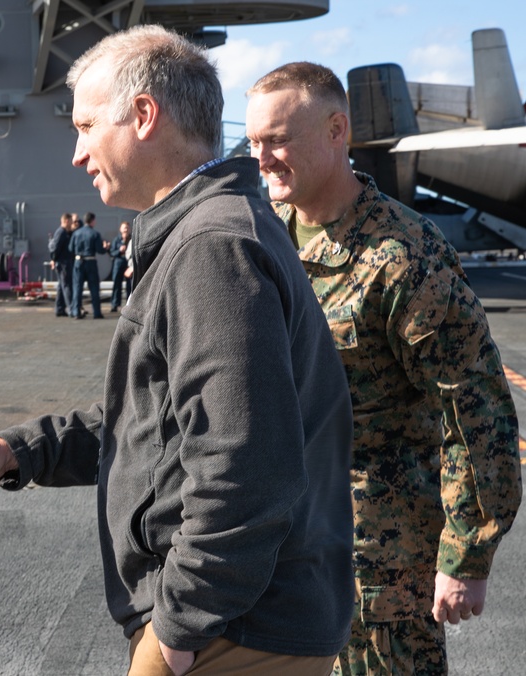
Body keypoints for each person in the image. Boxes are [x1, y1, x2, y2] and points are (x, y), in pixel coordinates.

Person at [0, 25, 355, 675]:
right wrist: (24, 451)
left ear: (144, 116)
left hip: (233, 631)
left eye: (85, 126)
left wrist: (177, 629)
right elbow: (163, 422)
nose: (77, 153)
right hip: (242, 622)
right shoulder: (218, 230)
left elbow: (247, 465)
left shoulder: (212, 247)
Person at [245, 62, 523, 676]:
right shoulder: (272, 240)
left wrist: (466, 554)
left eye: (278, 140)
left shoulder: (402, 257)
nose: (261, 157)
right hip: (290, 553)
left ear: (337, 129)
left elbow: (473, 408)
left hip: (383, 567)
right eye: (254, 142)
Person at [69, 211, 107, 318]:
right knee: (94, 288)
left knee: (77, 288)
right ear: (93, 221)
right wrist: (105, 248)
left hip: (78, 262)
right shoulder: (95, 234)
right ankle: (97, 313)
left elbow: (70, 248)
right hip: (90, 262)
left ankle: (76, 312)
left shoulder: (76, 233)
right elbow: (100, 250)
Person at [49, 212, 77, 316]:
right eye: (70, 221)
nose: (72, 223)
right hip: (63, 263)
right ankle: (71, 309)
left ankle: (59, 308)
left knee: (61, 286)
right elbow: (55, 247)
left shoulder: (65, 232)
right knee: (67, 285)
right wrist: (54, 259)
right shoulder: (61, 232)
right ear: (66, 221)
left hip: (63, 262)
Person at [108, 220, 131, 311]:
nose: (126, 229)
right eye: (124, 227)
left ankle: (129, 305)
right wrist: (119, 251)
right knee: (117, 284)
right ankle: (115, 304)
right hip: (118, 262)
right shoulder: (116, 240)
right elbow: (112, 252)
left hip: (128, 264)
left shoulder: (132, 239)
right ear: (120, 229)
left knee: (130, 285)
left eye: (127, 227)